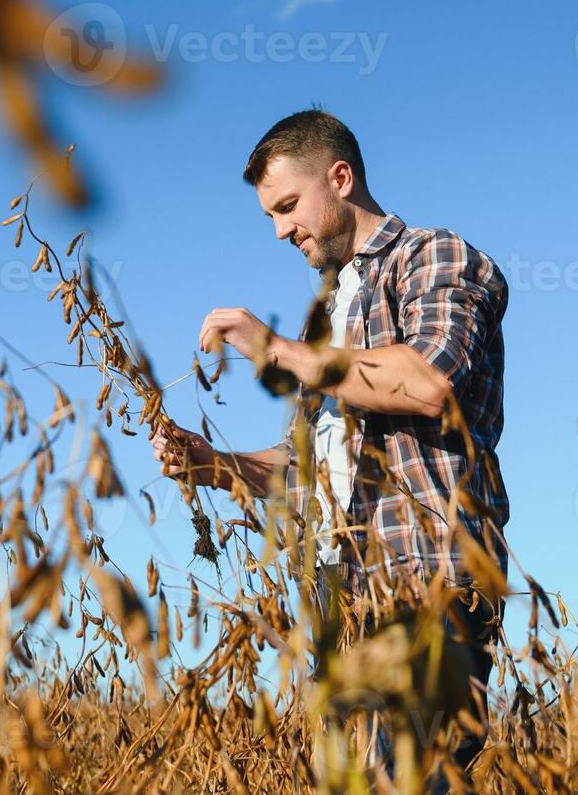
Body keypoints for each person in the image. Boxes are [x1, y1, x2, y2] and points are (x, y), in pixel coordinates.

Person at [150, 108, 510, 783]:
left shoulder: (433, 257)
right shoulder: (333, 312)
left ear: (339, 178)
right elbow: (308, 468)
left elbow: (427, 379)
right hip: (339, 594)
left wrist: (277, 349)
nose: (281, 230)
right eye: (269, 217)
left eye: (287, 206)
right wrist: (216, 465)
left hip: (421, 577)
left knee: (402, 780)